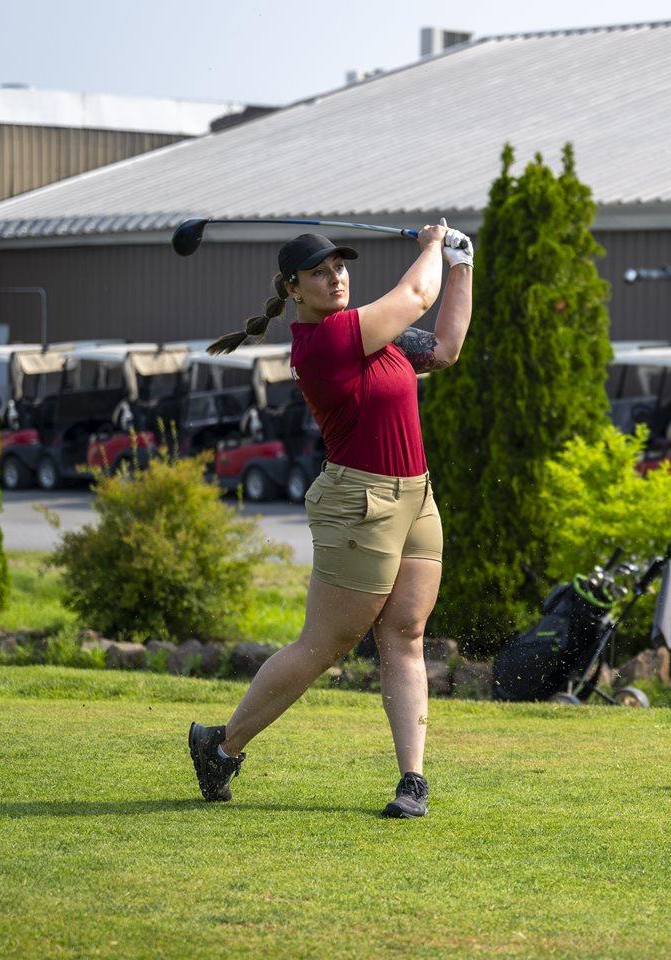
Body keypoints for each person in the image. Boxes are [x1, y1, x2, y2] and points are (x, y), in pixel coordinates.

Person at [188, 220, 473, 818]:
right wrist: (432, 247)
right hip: (358, 502)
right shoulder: (328, 340)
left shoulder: (376, 336)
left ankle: (412, 781)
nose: (335, 277)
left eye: (340, 267)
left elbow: (446, 349)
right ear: (293, 288)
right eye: (319, 273)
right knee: (326, 644)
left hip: (416, 497)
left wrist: (461, 265)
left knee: (405, 635)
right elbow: (417, 293)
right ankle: (222, 746)